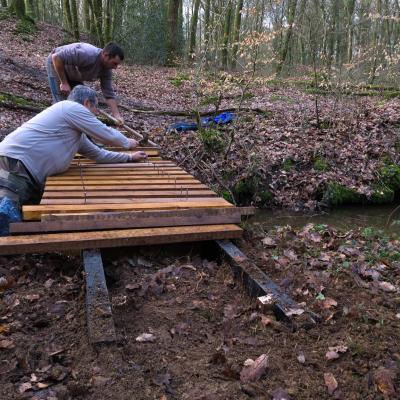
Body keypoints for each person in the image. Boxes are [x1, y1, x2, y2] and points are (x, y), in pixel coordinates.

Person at [0, 85, 147, 235]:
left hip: (24, 171)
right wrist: (127, 143)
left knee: (13, 220)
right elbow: (104, 133)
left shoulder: (75, 132)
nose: (96, 114)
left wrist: (129, 157)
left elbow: (99, 154)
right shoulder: (70, 107)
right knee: (4, 214)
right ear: (87, 104)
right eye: (96, 108)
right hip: (12, 165)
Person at [46, 41, 125, 124]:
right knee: (61, 103)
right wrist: (64, 82)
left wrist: (116, 115)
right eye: (114, 63)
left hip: (73, 74)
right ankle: (55, 126)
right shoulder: (87, 54)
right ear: (105, 55)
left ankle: (78, 128)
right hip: (56, 64)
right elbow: (56, 57)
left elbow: (108, 93)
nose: (115, 67)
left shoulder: (107, 70)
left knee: (82, 102)